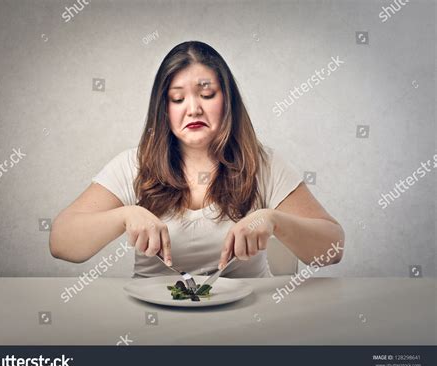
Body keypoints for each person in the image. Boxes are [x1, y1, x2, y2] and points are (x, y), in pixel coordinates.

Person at [49, 41, 345, 278]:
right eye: (177, 99)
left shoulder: (263, 164)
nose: (193, 109)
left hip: (247, 323)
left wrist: (273, 220)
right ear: (163, 110)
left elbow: (334, 248)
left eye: (207, 94)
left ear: (227, 101)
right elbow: (60, 243)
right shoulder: (133, 165)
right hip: (152, 325)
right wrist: (124, 215)